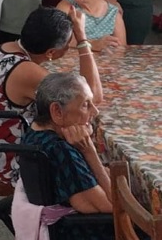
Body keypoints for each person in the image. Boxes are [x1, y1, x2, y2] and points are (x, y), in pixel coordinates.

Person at [0, 6, 102, 185]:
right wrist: (82, 39)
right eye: (67, 45)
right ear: (50, 53)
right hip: (14, 160)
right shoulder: (28, 72)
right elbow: (92, 96)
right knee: (85, 143)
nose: (69, 48)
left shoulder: (3, 49)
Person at [20, 72, 113, 238]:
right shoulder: (61, 151)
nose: (95, 111)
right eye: (85, 105)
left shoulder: (34, 132)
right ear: (57, 111)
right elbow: (112, 206)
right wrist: (89, 151)